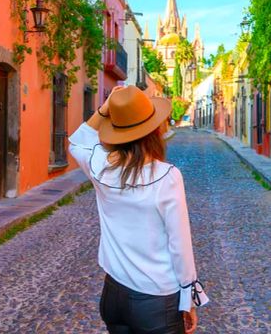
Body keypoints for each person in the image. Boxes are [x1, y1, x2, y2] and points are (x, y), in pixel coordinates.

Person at [69, 85, 209, 334]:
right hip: (156, 301)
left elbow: (78, 142)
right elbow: (180, 246)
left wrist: (106, 107)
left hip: (113, 295)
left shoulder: (100, 167)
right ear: (154, 131)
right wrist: (189, 300)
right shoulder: (167, 176)